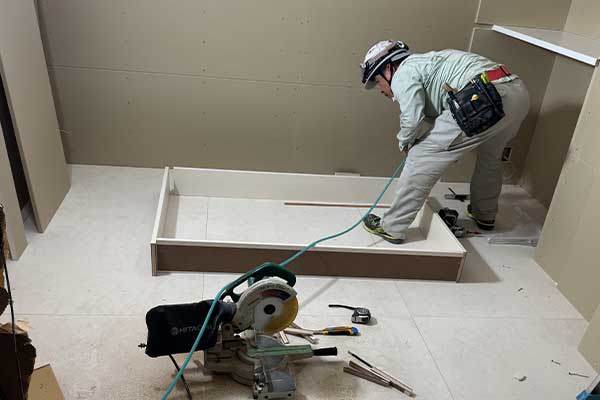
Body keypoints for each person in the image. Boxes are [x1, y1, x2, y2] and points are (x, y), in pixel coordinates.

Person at [360, 40, 530, 244]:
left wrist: (404, 142)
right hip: (516, 93)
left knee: (420, 156)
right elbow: (440, 118)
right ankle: (484, 214)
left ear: (388, 68)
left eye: (378, 80)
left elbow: (412, 119)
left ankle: (392, 227)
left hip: (482, 97)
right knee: (490, 157)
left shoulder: (403, 72)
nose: (380, 89)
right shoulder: (428, 62)